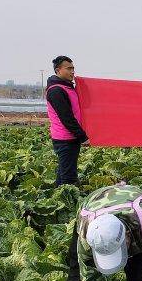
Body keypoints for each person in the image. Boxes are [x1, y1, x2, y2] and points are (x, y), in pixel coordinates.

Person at [45, 55, 88, 186]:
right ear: (58, 70)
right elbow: (67, 118)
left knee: (64, 171)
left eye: (73, 68)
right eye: (68, 69)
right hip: (65, 138)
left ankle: (57, 199)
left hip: (70, 137)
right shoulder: (56, 90)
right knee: (69, 177)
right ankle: (67, 202)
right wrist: (83, 137)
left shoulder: (68, 87)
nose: (72, 72)